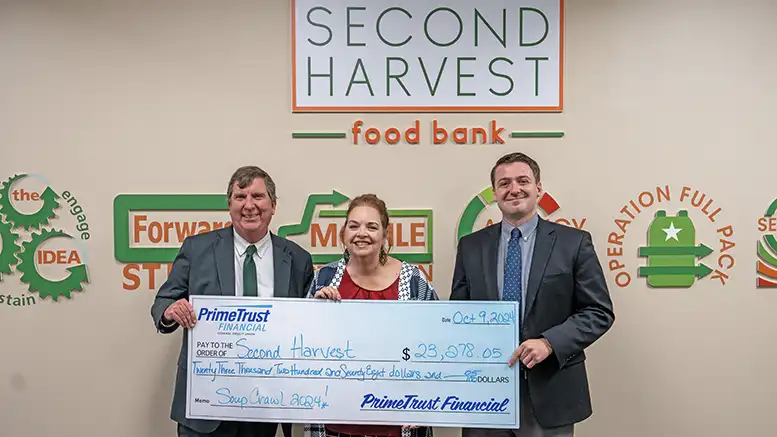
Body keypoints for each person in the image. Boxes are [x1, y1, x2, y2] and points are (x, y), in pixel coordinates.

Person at [450, 152, 615, 437]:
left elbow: (599, 312)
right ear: (495, 193)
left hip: (550, 390)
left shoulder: (573, 243)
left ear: (538, 188)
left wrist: (549, 343)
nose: (514, 189)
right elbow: (459, 313)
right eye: (504, 183)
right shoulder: (470, 247)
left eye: (522, 181)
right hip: (484, 395)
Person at [150, 165, 314, 437]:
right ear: (229, 205)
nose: (249, 205)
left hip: (265, 405)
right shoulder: (197, 249)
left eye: (258, 197)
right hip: (205, 405)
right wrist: (170, 310)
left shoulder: (297, 259)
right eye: (240, 197)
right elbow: (164, 300)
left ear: (273, 205)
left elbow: (307, 326)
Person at [304, 194, 437, 437]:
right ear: (343, 233)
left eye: (372, 226)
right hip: (337, 424)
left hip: (397, 425)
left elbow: (437, 347)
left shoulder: (415, 280)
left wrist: (426, 401)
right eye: (353, 226)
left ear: (386, 235)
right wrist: (315, 314)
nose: (361, 233)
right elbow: (303, 349)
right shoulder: (324, 278)